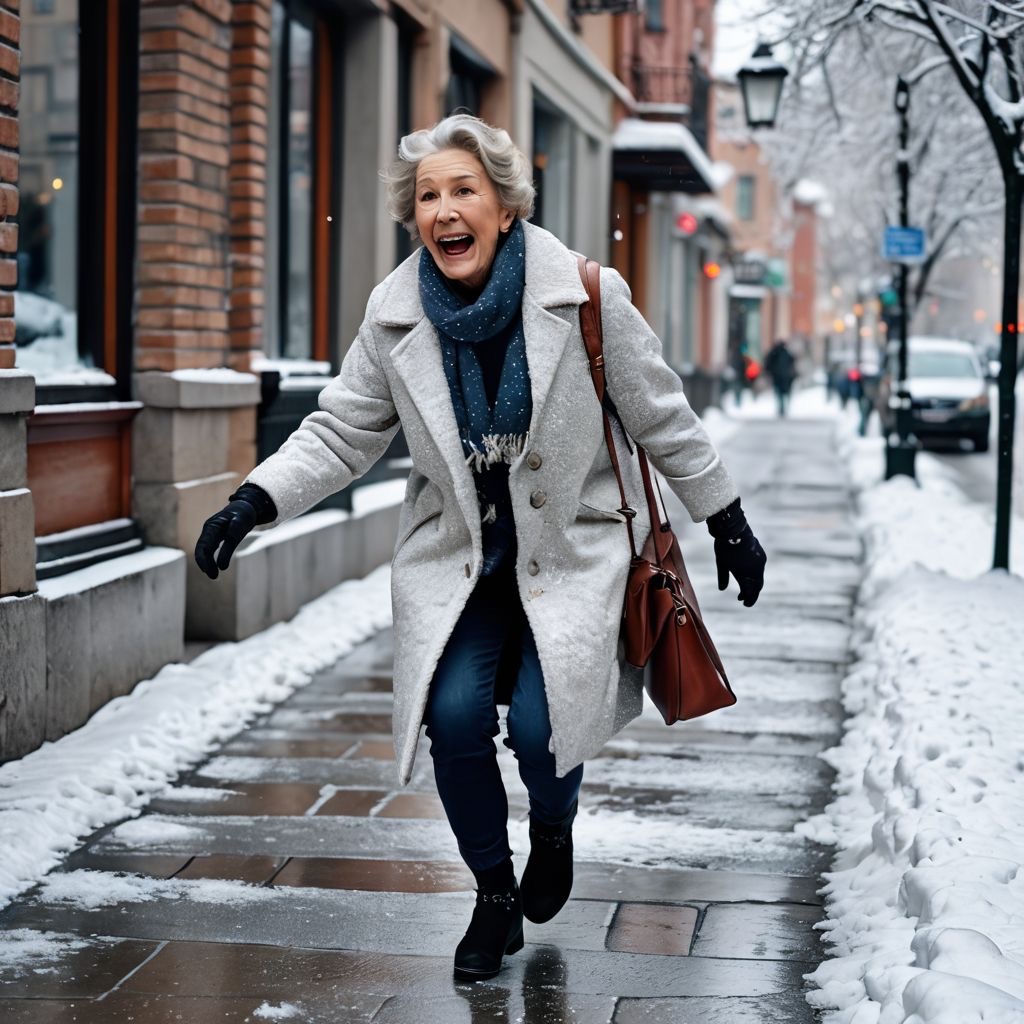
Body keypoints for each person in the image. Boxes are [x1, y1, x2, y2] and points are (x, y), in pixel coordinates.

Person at [194, 115, 766, 982]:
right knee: (455, 722)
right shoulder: (394, 316)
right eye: (428, 196)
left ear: (503, 207)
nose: (444, 210)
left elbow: (662, 415)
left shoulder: (585, 294)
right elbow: (342, 429)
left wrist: (725, 516)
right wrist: (253, 499)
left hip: (572, 558)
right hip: (461, 562)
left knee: (543, 731)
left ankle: (551, 825)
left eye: (464, 190)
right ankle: (493, 896)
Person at [764, 337, 797, 417]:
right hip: (785, 377)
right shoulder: (786, 353)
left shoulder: (774, 352)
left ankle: (781, 408)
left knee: (779, 393)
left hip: (777, 376)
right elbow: (792, 363)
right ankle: (783, 408)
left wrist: (770, 372)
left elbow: (768, 364)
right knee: (784, 393)